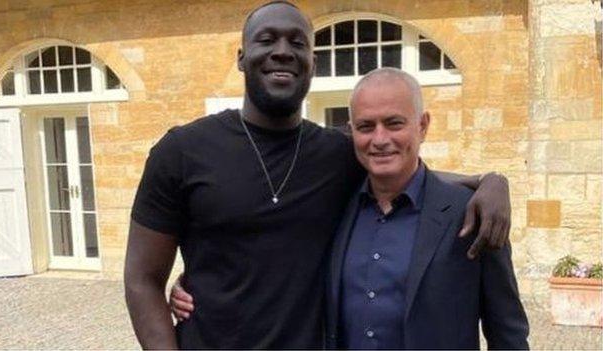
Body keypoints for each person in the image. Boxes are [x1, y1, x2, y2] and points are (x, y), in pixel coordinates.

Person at [126, 1, 513, 349]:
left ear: (313, 62)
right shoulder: (181, 151)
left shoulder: (336, 153)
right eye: (267, 40)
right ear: (242, 57)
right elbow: (142, 278)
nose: (282, 52)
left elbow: (402, 170)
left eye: (298, 43)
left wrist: (490, 182)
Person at [324, 68, 529, 349]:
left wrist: (494, 178)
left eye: (394, 123)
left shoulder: (470, 214)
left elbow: (508, 335)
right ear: (351, 132)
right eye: (366, 126)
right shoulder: (334, 209)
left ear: (422, 126)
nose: (380, 139)